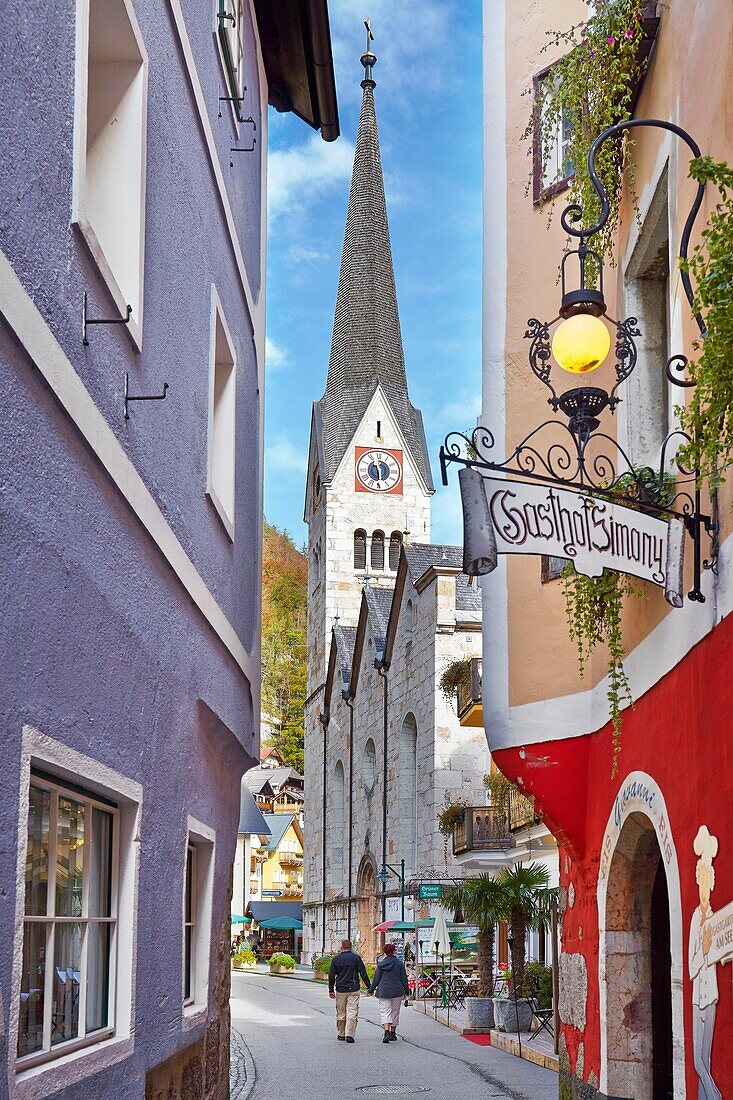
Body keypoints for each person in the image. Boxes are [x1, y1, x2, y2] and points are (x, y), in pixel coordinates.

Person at [328, 939, 371, 1043]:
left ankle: (341, 1033)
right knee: (352, 1011)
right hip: (354, 988)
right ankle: (350, 1034)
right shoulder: (356, 958)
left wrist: (331, 989)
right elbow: (363, 972)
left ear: (341, 947)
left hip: (341, 989)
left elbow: (331, 975)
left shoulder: (336, 959)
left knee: (341, 1011)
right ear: (351, 947)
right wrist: (369, 986)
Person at [369, 942, 410, 1043]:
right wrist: (407, 990)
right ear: (394, 951)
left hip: (384, 991)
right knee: (395, 1012)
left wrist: (371, 989)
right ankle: (393, 1033)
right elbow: (404, 978)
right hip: (397, 990)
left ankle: (386, 1031)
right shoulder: (399, 964)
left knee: (385, 1011)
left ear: (385, 952)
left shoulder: (381, 965)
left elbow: (376, 979)